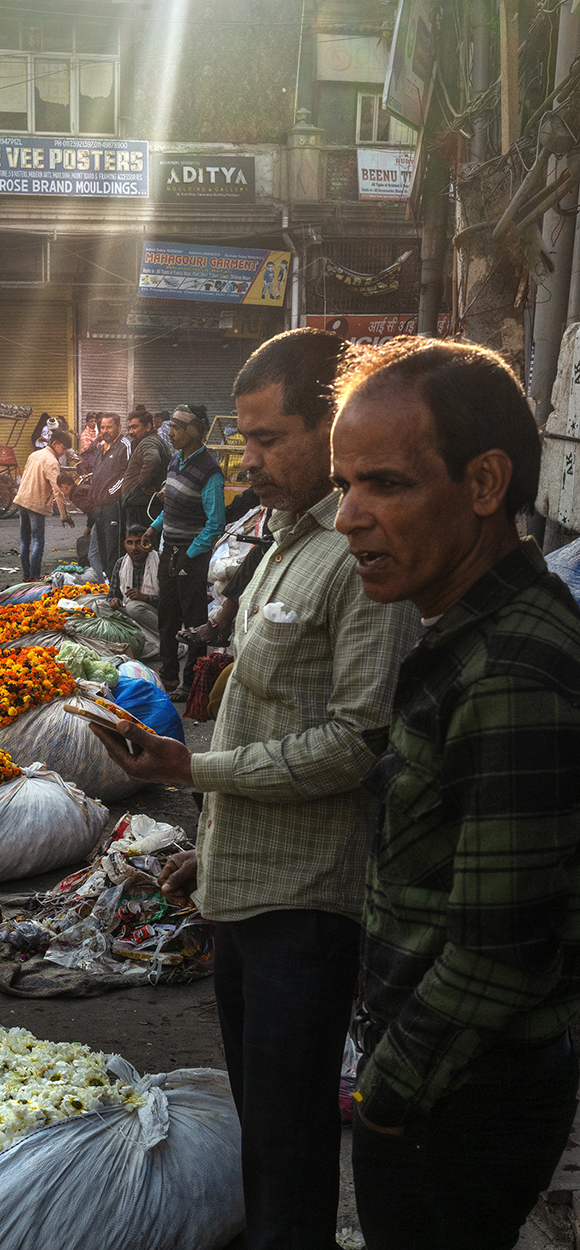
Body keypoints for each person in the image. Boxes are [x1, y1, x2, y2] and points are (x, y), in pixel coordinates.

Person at [90, 328, 421, 1250]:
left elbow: (354, 744)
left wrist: (191, 770)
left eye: (272, 438)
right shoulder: (282, 541)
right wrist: (211, 843)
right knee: (262, 1129)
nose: (252, 459)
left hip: (307, 906)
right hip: (246, 886)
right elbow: (266, 717)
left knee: (288, 1137)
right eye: (245, 439)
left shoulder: (358, 558)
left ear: (333, 427)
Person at [330, 337, 580, 1250]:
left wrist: (387, 1094)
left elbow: (498, 952)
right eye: (345, 483)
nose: (348, 517)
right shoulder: (463, 634)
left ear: (484, 485)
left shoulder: (514, 670)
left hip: (464, 1098)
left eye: (385, 485)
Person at [143, 405, 225, 699]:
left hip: (190, 557)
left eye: (176, 428)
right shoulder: (176, 461)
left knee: (193, 619)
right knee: (167, 613)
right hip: (170, 551)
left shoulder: (210, 473)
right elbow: (171, 506)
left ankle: (191, 681)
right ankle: (168, 678)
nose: (170, 432)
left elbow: (215, 524)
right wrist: (154, 527)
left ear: (192, 433)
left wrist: (191, 554)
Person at [12, 428, 75, 580]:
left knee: (24, 541)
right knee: (38, 542)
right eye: (63, 448)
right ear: (55, 443)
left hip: (22, 501)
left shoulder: (35, 455)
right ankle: (34, 576)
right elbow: (58, 490)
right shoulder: (52, 462)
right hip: (36, 504)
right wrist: (64, 514)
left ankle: (27, 575)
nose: (64, 452)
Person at [107, 525, 160, 657]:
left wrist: (145, 598)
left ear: (147, 543)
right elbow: (111, 595)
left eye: (138, 542)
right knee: (99, 607)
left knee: (134, 607)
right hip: (130, 613)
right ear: (125, 544)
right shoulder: (121, 564)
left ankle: (165, 639)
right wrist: (114, 600)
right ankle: (138, 638)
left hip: (157, 614)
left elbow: (172, 601)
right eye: (130, 543)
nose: (134, 548)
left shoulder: (159, 562)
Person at [88, 412, 129, 576]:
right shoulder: (100, 448)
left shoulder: (124, 445)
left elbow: (126, 475)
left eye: (109, 427)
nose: (105, 431)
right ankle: (107, 586)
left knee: (114, 549)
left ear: (118, 427)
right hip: (99, 507)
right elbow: (96, 475)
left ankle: (117, 589)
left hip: (114, 505)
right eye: (102, 427)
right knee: (103, 550)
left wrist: (109, 494)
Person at [119, 405, 169, 529]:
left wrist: (143, 483)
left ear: (147, 427)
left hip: (142, 506)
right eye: (130, 427)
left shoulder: (149, 442)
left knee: (141, 545)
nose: (131, 432)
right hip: (142, 504)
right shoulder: (150, 441)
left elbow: (152, 459)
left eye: (135, 427)